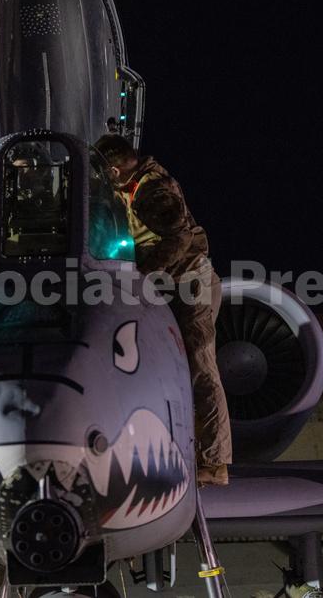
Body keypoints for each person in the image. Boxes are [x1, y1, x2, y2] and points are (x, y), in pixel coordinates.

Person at [94, 134, 232, 486]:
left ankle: (215, 462)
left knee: (200, 366)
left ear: (114, 170)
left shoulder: (153, 190)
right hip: (170, 285)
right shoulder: (129, 189)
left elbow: (179, 238)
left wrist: (144, 274)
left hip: (192, 284)